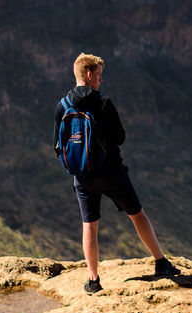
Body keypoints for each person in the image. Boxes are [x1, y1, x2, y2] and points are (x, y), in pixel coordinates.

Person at [54, 52, 180, 293]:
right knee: (137, 214)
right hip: (111, 173)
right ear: (89, 74)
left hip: (82, 177)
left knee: (89, 225)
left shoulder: (62, 105)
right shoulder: (103, 102)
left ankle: (93, 280)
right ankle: (161, 263)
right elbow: (119, 137)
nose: (101, 81)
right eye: (99, 76)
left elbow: (57, 145)